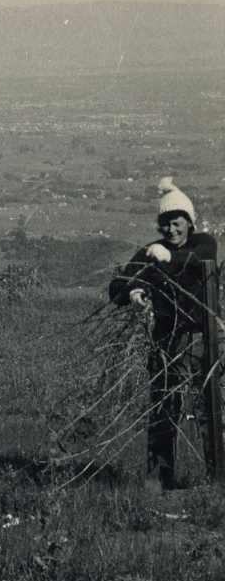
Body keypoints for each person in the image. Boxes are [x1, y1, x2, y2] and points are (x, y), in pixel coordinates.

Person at [109, 177, 219, 489]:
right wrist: (133, 291)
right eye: (166, 223)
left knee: (209, 407)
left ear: (189, 222)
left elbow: (200, 260)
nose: (172, 230)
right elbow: (116, 286)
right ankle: (159, 483)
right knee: (162, 408)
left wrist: (167, 258)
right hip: (166, 342)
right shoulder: (151, 251)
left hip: (202, 341)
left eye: (177, 222)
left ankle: (217, 479)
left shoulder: (204, 244)